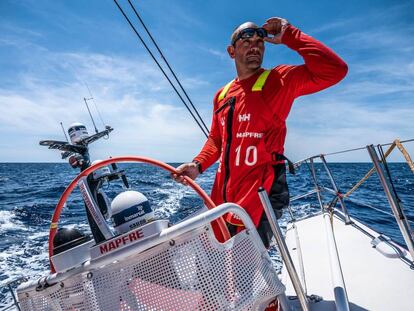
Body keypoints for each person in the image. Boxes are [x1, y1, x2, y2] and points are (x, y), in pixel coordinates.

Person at [173, 17, 347, 248]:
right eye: (247, 42)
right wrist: (197, 165)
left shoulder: (279, 80)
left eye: (260, 42)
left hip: (261, 196)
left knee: (247, 267)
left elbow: (335, 70)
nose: (255, 46)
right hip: (222, 196)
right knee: (213, 261)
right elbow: (217, 140)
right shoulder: (222, 95)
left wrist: (290, 35)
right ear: (231, 51)